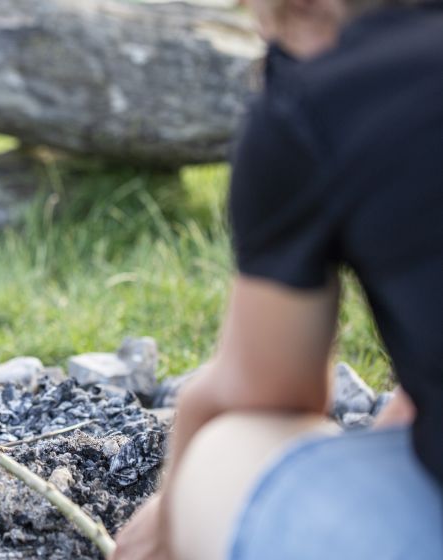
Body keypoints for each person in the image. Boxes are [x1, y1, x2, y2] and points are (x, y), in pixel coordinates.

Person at [112, 0, 443, 558]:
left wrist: (169, 511)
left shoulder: (319, 103)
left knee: (229, 444)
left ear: (309, 9)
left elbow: (272, 393)